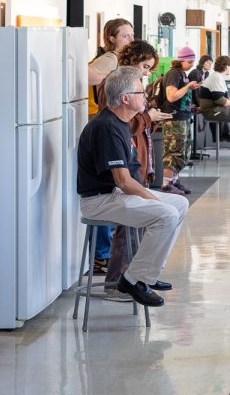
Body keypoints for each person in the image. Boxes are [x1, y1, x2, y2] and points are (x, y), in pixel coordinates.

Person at [77, 65, 188, 308]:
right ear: (126, 98)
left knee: (180, 203)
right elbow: (123, 181)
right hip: (98, 201)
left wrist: (151, 197)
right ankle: (133, 280)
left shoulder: (120, 122)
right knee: (166, 212)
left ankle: (148, 274)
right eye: (141, 92)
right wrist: (152, 199)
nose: (146, 97)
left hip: (112, 195)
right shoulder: (107, 127)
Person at [102, 40, 172, 287]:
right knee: (130, 227)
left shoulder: (133, 87)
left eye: (149, 68)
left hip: (138, 160)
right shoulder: (114, 87)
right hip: (127, 166)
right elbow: (122, 123)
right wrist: (147, 117)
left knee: (143, 224)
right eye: (144, 66)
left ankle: (140, 276)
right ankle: (121, 281)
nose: (147, 72)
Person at [85, 17, 135, 272]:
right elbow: (89, 74)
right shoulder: (111, 59)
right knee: (107, 187)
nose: (130, 39)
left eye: (131, 34)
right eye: (125, 35)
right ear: (112, 39)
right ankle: (101, 254)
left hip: (108, 121)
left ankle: (102, 253)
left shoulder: (119, 61)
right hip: (100, 120)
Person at [160, 47, 200, 180]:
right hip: (174, 118)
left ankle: (174, 181)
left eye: (193, 61)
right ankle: (167, 184)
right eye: (189, 62)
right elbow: (171, 96)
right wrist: (188, 86)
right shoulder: (173, 74)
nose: (192, 65)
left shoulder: (182, 74)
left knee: (183, 152)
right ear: (180, 61)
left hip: (183, 117)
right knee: (173, 153)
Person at [198, 55, 230, 145]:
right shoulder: (217, 77)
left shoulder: (217, 76)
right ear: (226, 66)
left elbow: (224, 97)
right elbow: (220, 100)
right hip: (212, 111)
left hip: (214, 109)